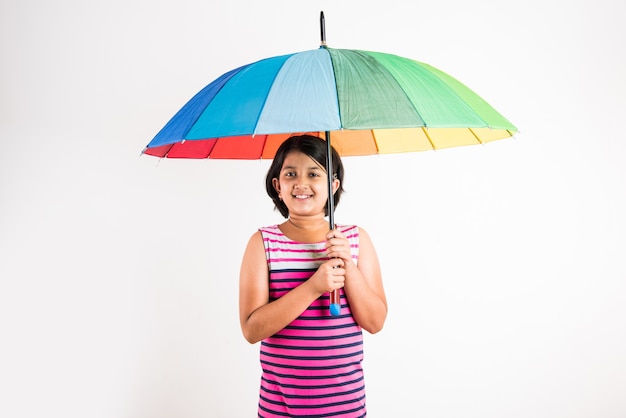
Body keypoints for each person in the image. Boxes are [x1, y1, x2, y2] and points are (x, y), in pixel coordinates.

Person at [239, 134, 388, 417]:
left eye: (314, 173)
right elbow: (252, 329)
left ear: (333, 185)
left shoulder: (356, 240)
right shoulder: (262, 243)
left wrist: (348, 264)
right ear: (277, 186)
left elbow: (375, 321)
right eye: (291, 174)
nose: (301, 183)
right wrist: (313, 287)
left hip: (346, 407)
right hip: (280, 408)